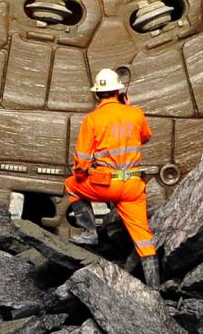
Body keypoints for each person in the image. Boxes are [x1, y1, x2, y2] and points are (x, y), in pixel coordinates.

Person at [64, 68, 160, 289]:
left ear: (97, 94)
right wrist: (127, 107)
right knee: (143, 238)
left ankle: (90, 233)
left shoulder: (93, 119)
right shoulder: (135, 114)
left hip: (105, 184)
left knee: (71, 185)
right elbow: (145, 136)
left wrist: (81, 176)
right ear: (119, 91)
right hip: (133, 186)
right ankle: (155, 290)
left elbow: (82, 161)